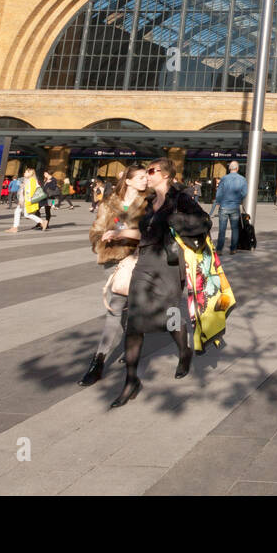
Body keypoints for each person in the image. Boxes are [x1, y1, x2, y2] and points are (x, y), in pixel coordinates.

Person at [111, 156, 206, 408]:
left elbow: (203, 222)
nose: (148, 175)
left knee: (171, 314)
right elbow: (144, 232)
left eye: (151, 171)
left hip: (169, 265)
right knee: (134, 320)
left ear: (164, 174)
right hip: (144, 262)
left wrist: (179, 221)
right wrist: (119, 233)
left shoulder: (181, 198)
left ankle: (184, 351)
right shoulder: (149, 201)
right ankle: (131, 381)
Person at [79, 164, 150, 387]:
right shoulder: (109, 203)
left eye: (145, 177)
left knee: (118, 308)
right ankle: (118, 351)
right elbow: (95, 230)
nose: (144, 181)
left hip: (139, 260)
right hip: (112, 261)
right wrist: (104, 240)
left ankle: (98, 362)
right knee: (121, 308)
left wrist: (126, 236)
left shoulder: (149, 203)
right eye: (139, 177)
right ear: (127, 180)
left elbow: (152, 233)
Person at [211, 161, 247, 253]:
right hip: (235, 206)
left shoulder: (224, 179)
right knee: (235, 229)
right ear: (237, 168)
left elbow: (219, 192)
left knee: (222, 229)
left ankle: (219, 249)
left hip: (224, 206)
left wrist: (218, 201)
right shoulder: (242, 179)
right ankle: (233, 249)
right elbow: (244, 193)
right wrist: (238, 199)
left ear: (229, 168)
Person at [6, 168, 46, 232]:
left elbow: (29, 191)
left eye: (26, 172)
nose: (24, 173)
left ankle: (15, 227)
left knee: (22, 213)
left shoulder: (32, 180)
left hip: (27, 200)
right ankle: (42, 222)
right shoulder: (28, 180)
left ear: (30, 173)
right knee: (22, 213)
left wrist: (24, 200)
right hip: (25, 200)